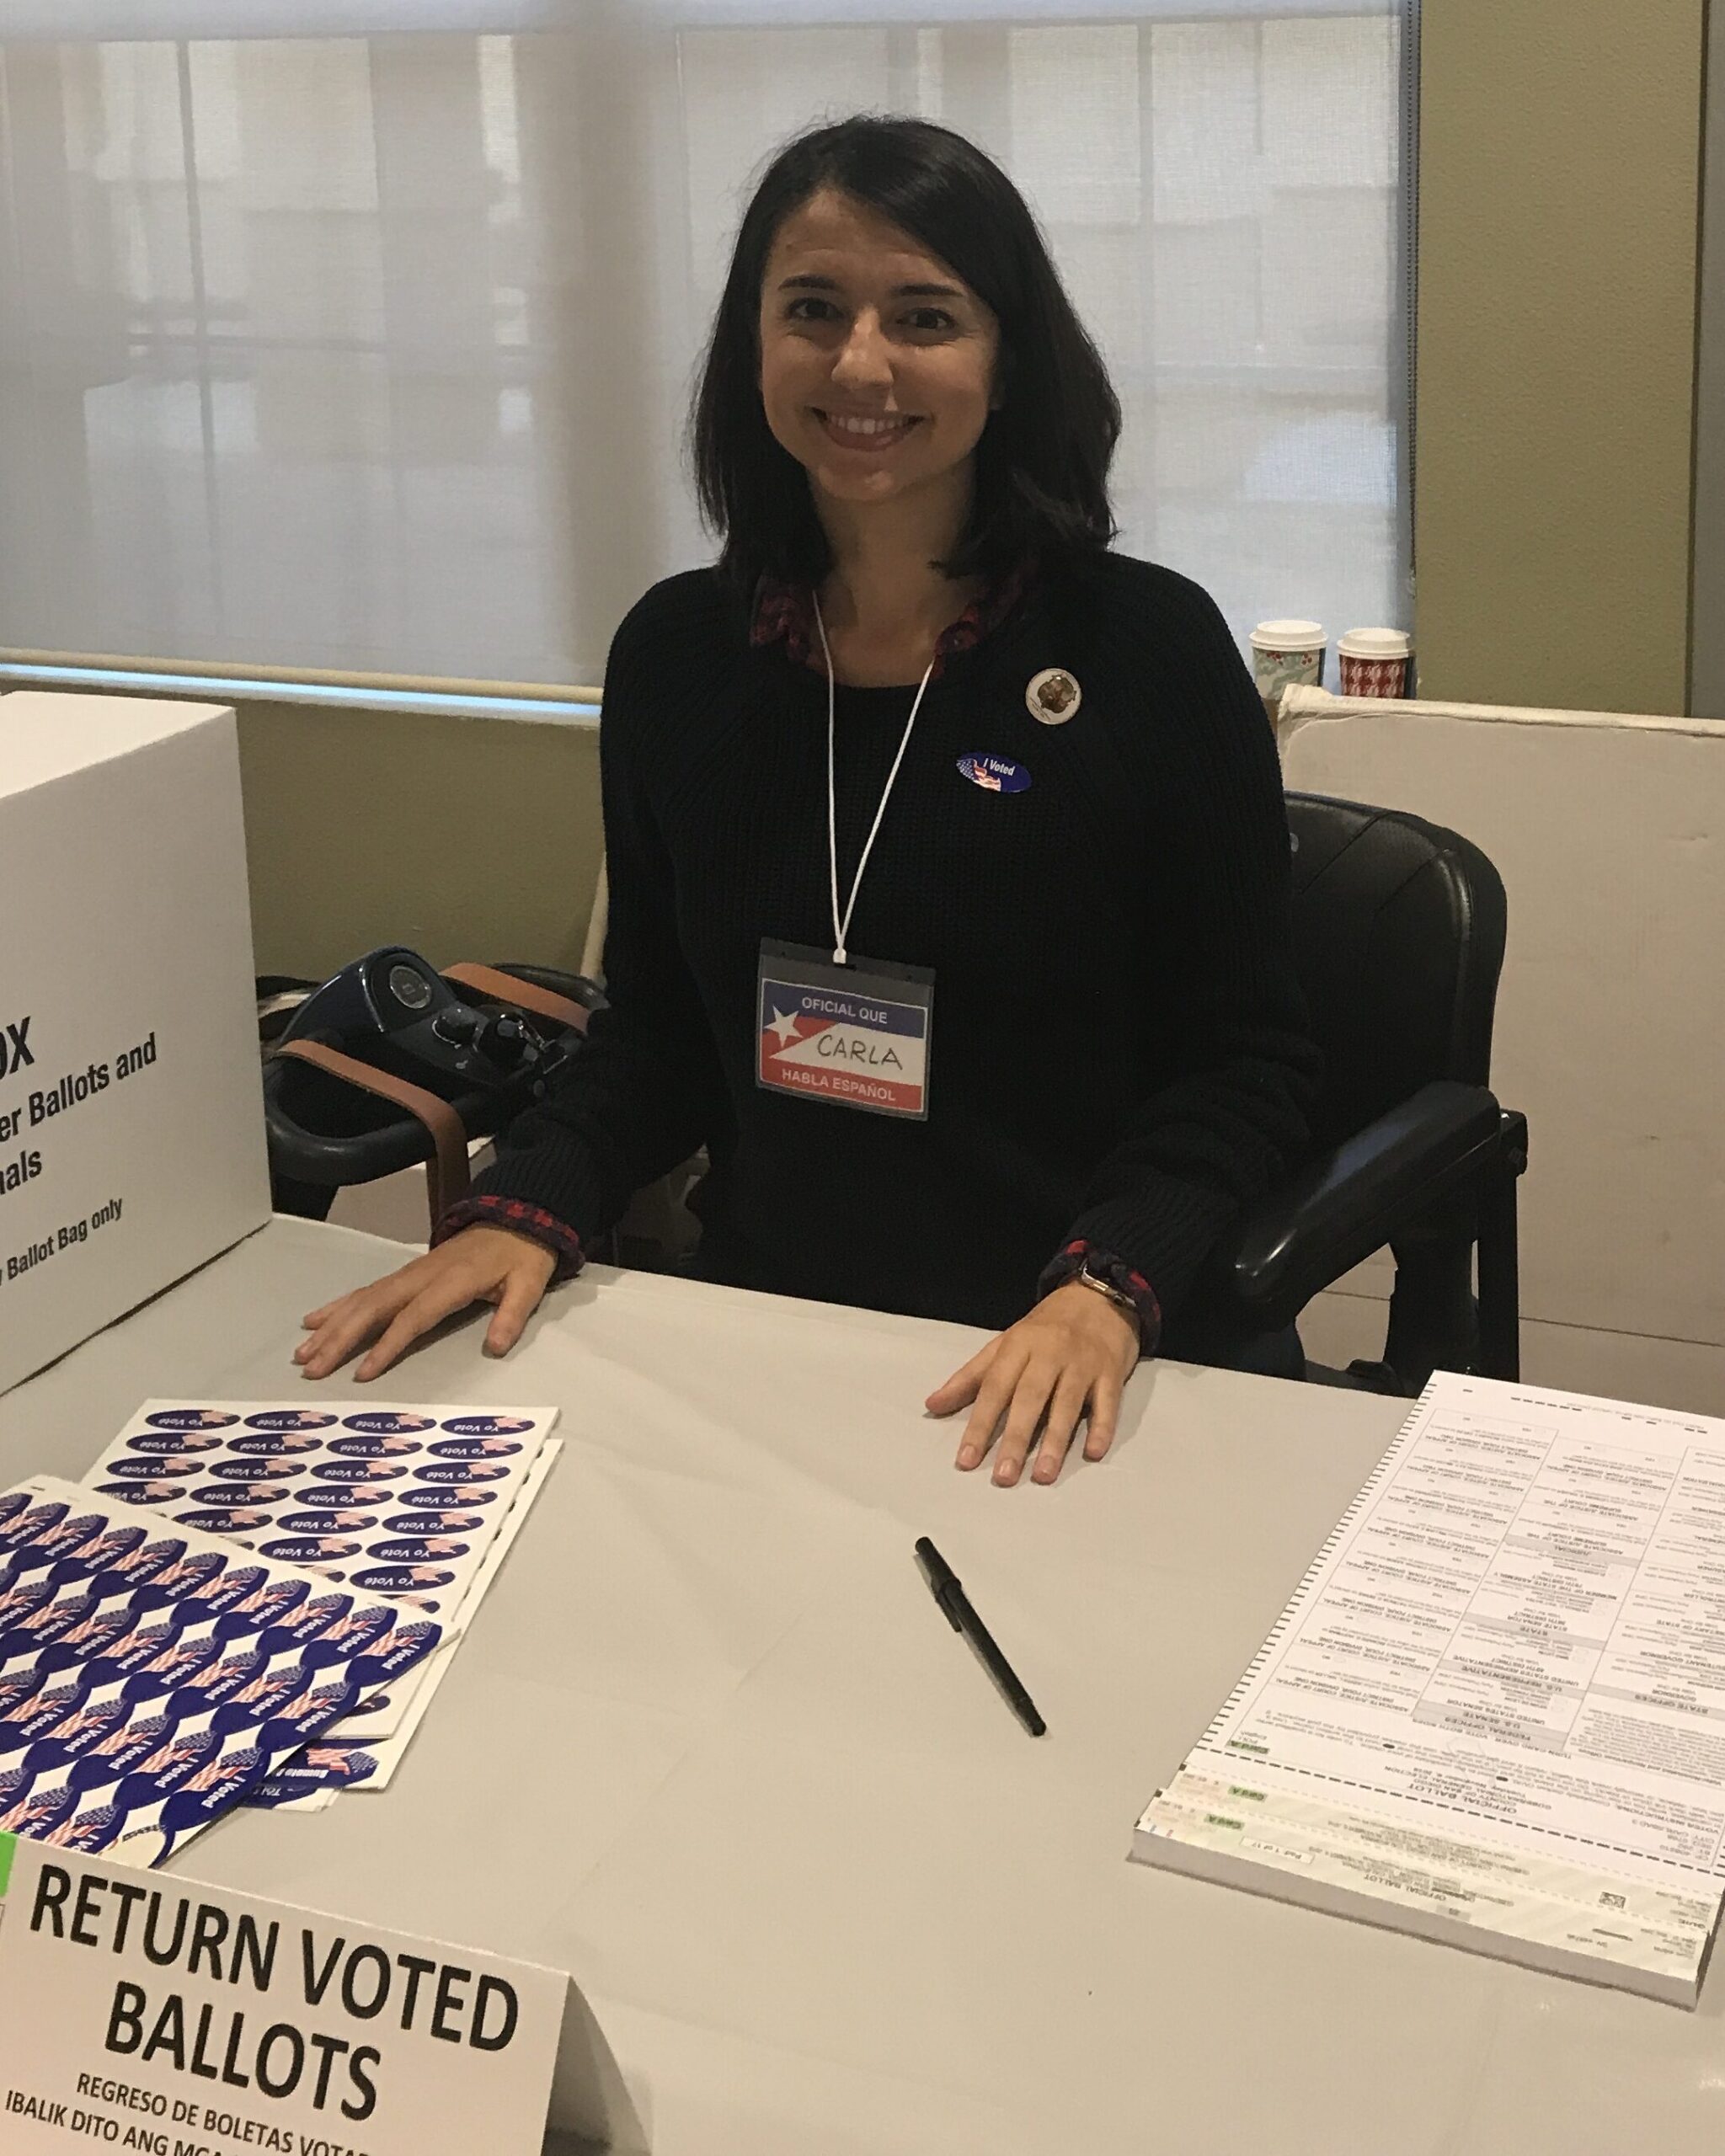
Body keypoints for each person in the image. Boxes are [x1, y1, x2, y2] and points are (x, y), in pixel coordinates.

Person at [296, 115, 1321, 1491]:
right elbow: (661, 1026)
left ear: (1008, 355)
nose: (861, 363)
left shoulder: (1149, 654)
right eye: (813, 311)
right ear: (752, 348)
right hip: (773, 1336)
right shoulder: (679, 658)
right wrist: (530, 1202)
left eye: (925, 316)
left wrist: (1108, 1285)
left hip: (1083, 1359)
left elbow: (1251, 1062)